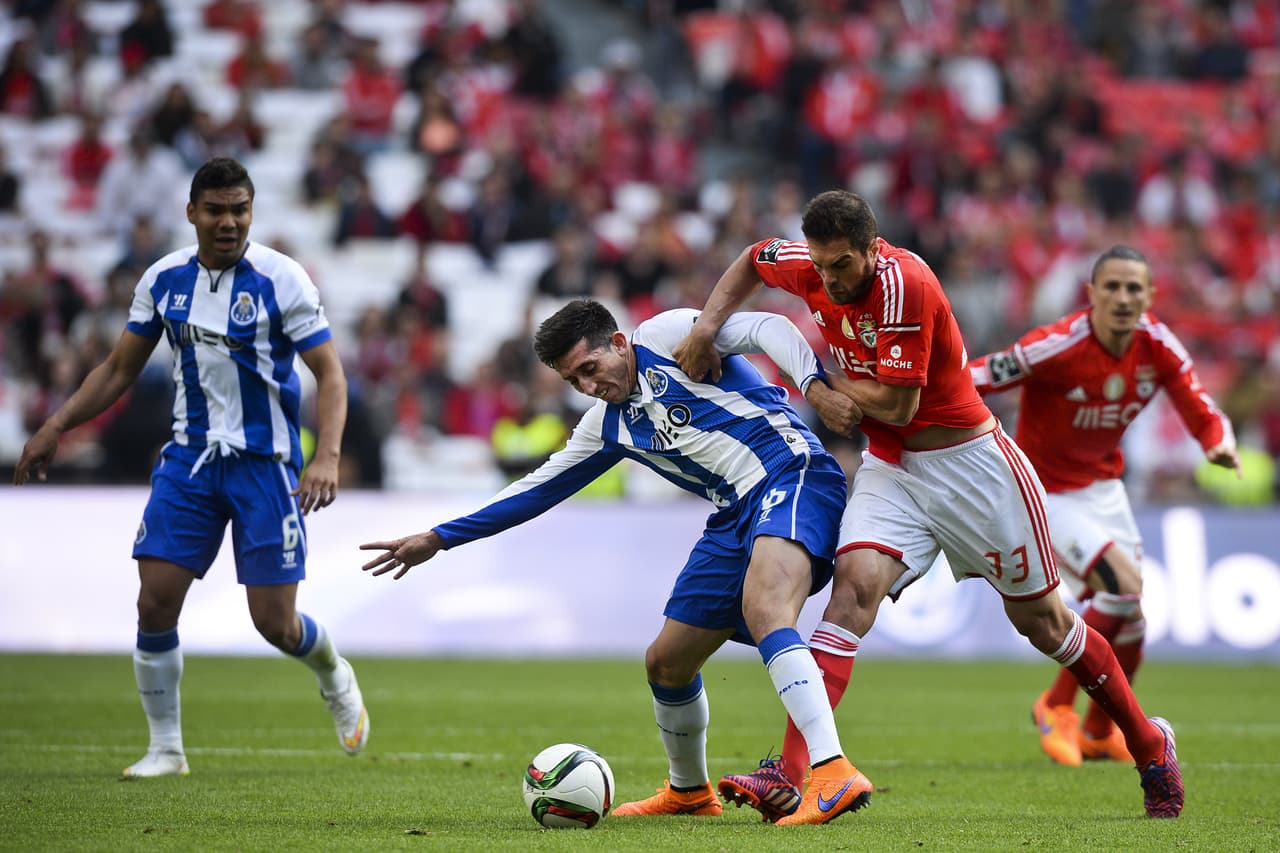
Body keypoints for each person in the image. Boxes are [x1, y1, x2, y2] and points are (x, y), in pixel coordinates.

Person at [674, 190, 1184, 822]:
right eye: (821, 266)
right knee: (850, 597)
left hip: (973, 468)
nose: (828, 281)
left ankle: (1148, 743)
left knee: (1046, 627)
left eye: (841, 266)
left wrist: (815, 387)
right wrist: (704, 327)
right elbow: (753, 259)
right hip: (894, 470)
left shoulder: (904, 283)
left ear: (870, 248)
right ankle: (793, 773)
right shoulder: (808, 263)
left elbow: (899, 405)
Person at [360, 298, 870, 825]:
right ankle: (688, 793)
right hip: (732, 514)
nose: (587, 386)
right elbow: (533, 492)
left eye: (589, 369)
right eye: (572, 380)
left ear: (619, 343)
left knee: (767, 611)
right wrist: (440, 538)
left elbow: (770, 326)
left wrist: (812, 387)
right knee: (666, 664)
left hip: (793, 472)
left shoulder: (668, 335)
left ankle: (831, 770)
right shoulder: (605, 427)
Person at [12, 157, 369, 778]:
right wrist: (58, 424)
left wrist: (327, 456)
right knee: (154, 603)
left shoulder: (283, 280)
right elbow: (119, 369)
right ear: (192, 212)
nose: (229, 222)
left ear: (251, 212)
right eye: (216, 210)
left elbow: (331, 374)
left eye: (240, 210)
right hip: (190, 462)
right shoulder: (163, 279)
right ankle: (166, 748)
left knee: (276, 624)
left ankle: (333, 672)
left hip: (266, 467)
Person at [970, 244, 1238, 766]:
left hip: (1104, 489)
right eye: (1111, 287)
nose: (1122, 297)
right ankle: (1055, 703)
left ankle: (1097, 731)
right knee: (1125, 585)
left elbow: (1196, 399)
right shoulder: (1058, 345)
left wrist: (1217, 442)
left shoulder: (1156, 345)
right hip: (1046, 491)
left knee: (1132, 618)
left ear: (1149, 297)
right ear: (1091, 294)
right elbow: (979, 377)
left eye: (1133, 288)